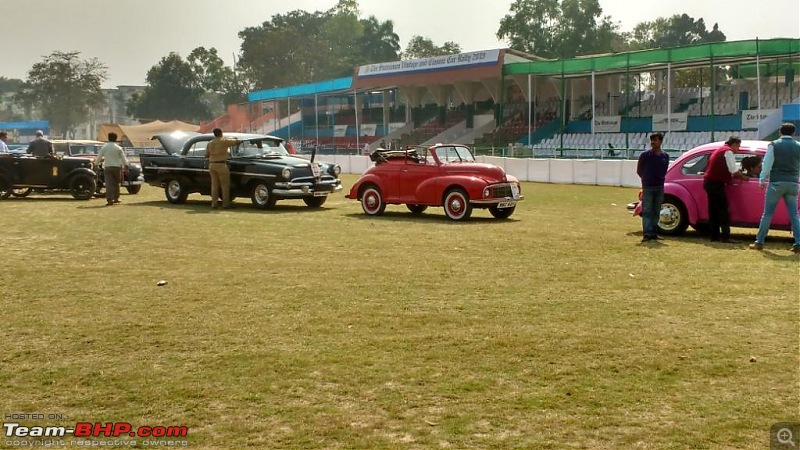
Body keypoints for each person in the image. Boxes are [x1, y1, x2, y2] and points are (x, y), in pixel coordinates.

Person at [750, 123, 800, 253]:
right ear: (793, 133)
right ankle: (798, 243)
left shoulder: (774, 145)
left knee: (768, 213)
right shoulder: (798, 146)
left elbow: (767, 163)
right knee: (794, 215)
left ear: (780, 132)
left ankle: (759, 242)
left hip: (776, 182)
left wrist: (762, 179)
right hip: (793, 183)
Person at [702, 136, 747, 243]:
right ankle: (725, 236)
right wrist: (745, 177)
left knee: (713, 210)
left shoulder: (720, 150)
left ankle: (714, 236)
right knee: (723, 210)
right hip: (716, 184)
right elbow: (734, 170)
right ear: (734, 145)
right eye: (738, 146)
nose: (738, 149)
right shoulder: (728, 152)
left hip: (709, 182)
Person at [636, 132, 670, 242]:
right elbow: (639, 170)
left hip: (659, 186)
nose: (653, 142)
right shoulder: (645, 155)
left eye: (655, 140)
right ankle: (647, 234)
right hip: (648, 187)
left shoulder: (665, 156)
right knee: (647, 211)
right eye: (652, 140)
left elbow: (664, 170)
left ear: (660, 141)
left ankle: (654, 233)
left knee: (656, 211)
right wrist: (646, 179)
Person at [204, 128, 241, 209]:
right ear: (221, 133)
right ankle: (225, 203)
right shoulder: (224, 141)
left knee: (214, 185)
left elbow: (206, 155)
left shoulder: (210, 143)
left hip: (212, 164)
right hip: (221, 164)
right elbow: (237, 141)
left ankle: (214, 203)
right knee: (225, 185)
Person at [94, 132, 129, 206]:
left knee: (109, 183)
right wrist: (126, 166)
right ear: (116, 139)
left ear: (108, 138)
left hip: (108, 167)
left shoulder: (105, 147)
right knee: (116, 183)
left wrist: (96, 164)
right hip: (117, 167)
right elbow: (123, 158)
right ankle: (116, 198)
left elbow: (99, 157)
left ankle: (110, 199)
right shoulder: (118, 148)